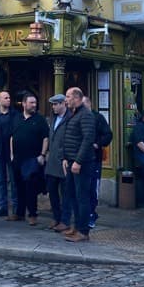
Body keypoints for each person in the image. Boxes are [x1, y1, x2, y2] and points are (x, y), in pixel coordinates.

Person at [61, 87, 96, 242]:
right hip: (71, 161)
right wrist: (65, 158)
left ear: (76, 98)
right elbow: (69, 137)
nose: (66, 100)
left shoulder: (85, 114)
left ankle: (83, 231)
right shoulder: (74, 114)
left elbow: (87, 139)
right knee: (72, 195)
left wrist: (78, 161)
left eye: (68, 97)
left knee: (82, 197)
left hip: (82, 163)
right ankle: (76, 226)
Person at [10, 92, 49, 225]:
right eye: (31, 103)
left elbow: (45, 138)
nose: (34, 105)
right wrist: (12, 155)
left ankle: (32, 214)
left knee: (31, 187)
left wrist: (42, 155)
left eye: (35, 103)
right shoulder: (16, 118)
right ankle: (19, 213)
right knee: (18, 186)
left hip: (32, 159)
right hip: (17, 159)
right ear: (24, 103)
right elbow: (12, 136)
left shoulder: (40, 119)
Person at [84, 95, 113, 229]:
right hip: (81, 158)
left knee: (92, 187)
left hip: (94, 158)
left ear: (89, 103)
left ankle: (91, 214)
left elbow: (108, 135)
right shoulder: (77, 117)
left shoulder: (98, 118)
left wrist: (98, 144)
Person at [45, 94, 71, 231]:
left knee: (66, 193)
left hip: (64, 161)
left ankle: (65, 220)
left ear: (63, 104)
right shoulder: (53, 118)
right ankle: (56, 217)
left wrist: (66, 157)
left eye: (56, 104)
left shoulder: (70, 118)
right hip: (52, 161)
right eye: (53, 104)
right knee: (52, 191)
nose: (53, 107)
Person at [0, 90, 20, 217]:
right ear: (0, 100)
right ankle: (3, 206)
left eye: (9, 98)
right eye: (5, 98)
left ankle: (15, 206)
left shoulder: (14, 114)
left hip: (11, 152)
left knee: (13, 180)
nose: (8, 100)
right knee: (1, 180)